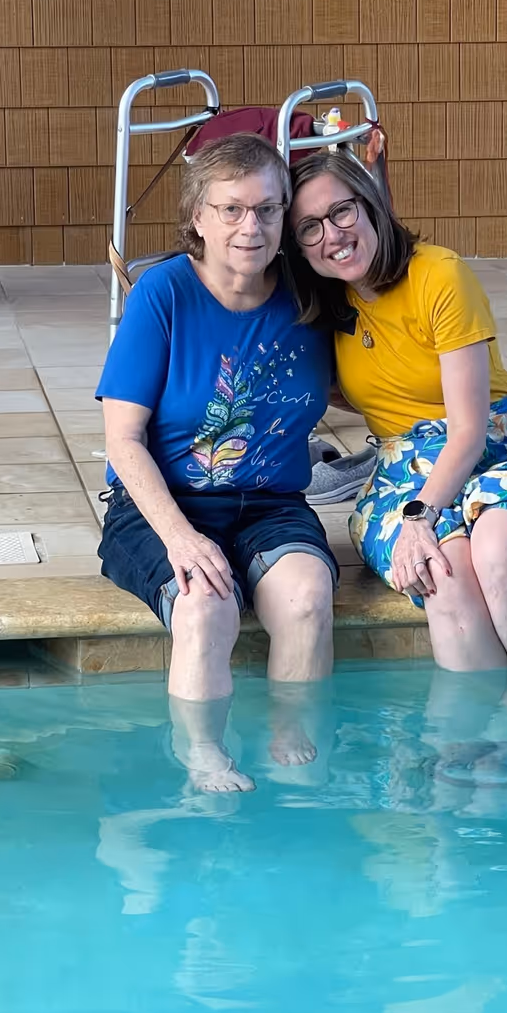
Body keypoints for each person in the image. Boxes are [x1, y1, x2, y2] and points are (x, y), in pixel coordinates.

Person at [286, 148, 507, 730]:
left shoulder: (439, 274)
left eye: (343, 211)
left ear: (371, 204)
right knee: (444, 577)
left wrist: (421, 516)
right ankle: (498, 711)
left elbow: (470, 429)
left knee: (500, 550)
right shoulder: (320, 305)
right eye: (311, 227)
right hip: (403, 466)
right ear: (298, 246)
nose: (334, 235)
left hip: (496, 442)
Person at [97, 133, 338, 791]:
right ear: (197, 217)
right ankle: (202, 754)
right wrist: (180, 536)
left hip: (270, 504)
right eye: (231, 209)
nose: (250, 227)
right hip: (163, 505)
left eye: (266, 210)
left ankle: (293, 732)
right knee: (206, 607)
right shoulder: (164, 294)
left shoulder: (312, 297)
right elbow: (123, 440)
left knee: (310, 598)